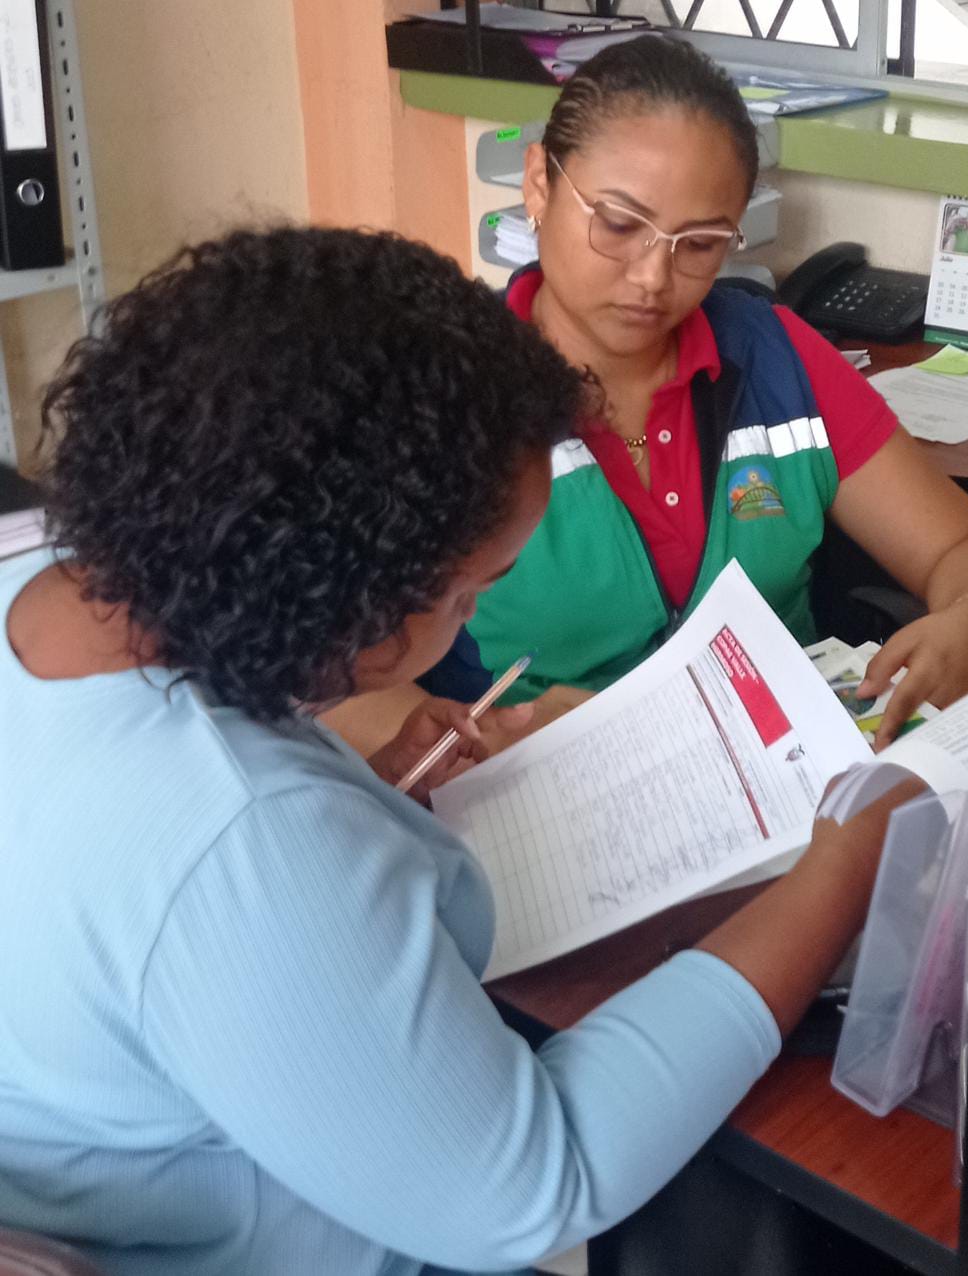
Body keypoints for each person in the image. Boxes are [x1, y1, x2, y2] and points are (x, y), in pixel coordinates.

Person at [0, 225, 916, 1276]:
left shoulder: (46, 589)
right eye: (473, 592)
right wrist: (843, 864)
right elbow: (538, 1181)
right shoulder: (242, 840)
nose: (471, 617)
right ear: (346, 588)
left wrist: (355, 789)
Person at [413, 36, 968, 752]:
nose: (653, 277)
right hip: (534, 789)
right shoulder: (442, 394)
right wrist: (462, 749)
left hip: (787, 773)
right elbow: (336, 674)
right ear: (539, 186)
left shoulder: (776, 359)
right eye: (619, 224)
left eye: (700, 243)